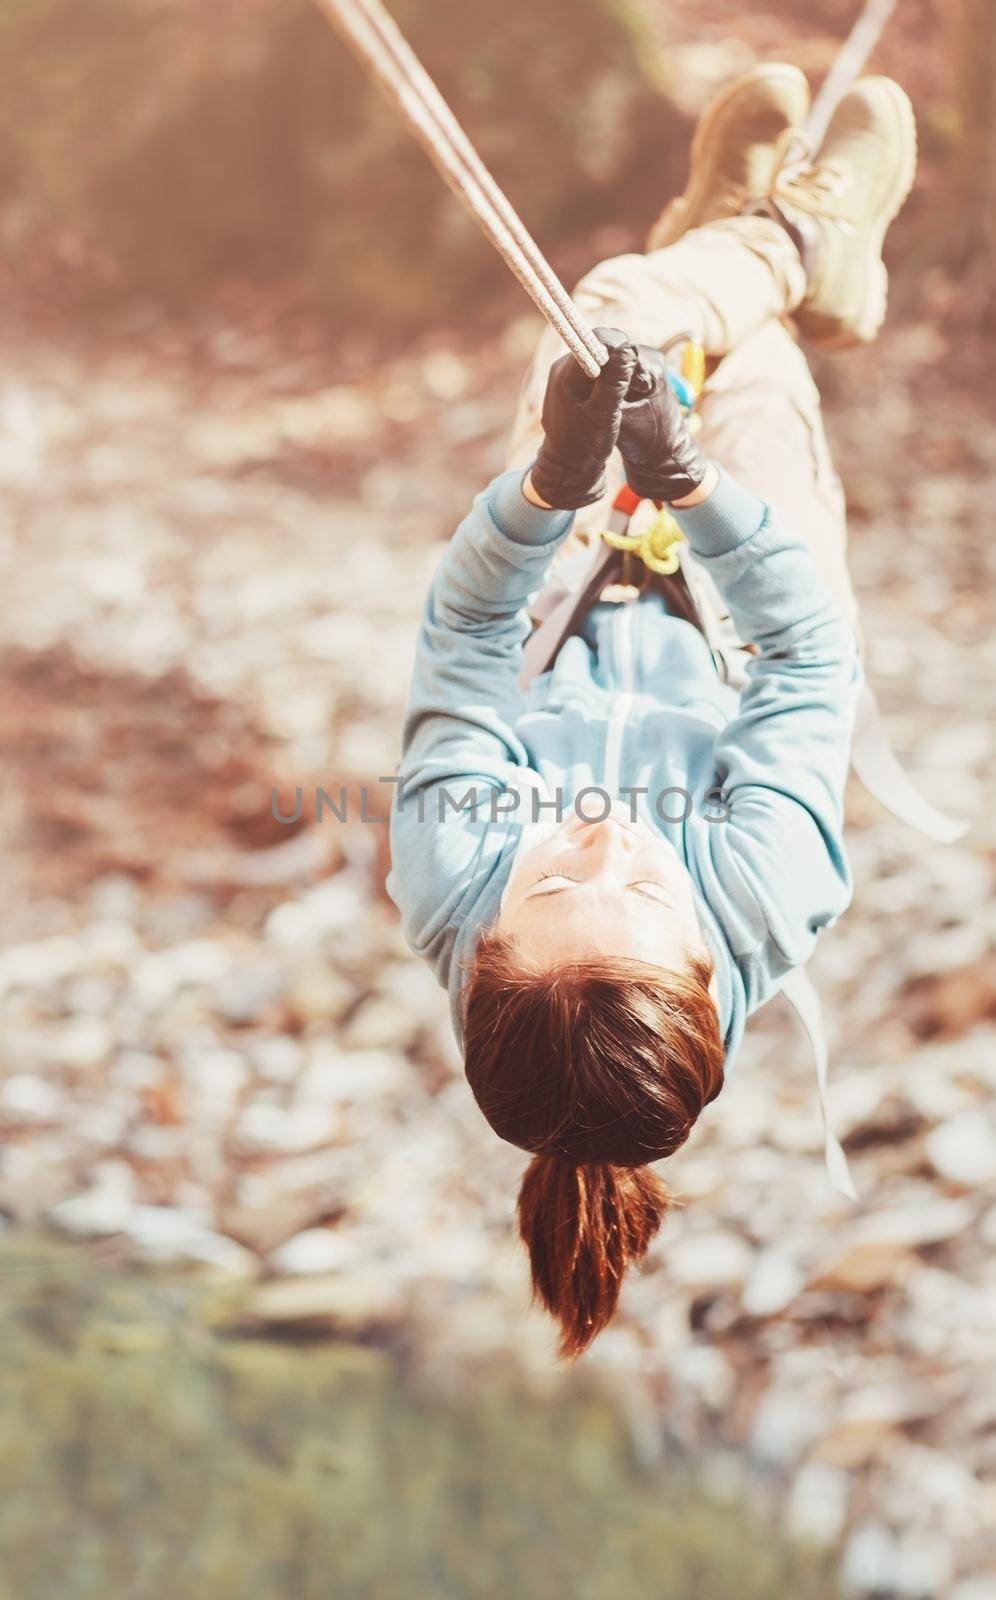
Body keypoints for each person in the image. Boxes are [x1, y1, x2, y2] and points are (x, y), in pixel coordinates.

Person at [386, 68, 917, 1359]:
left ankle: (749, 236)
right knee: (743, 349)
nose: (605, 840)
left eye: (554, 886)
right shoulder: (764, 890)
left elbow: (462, 639)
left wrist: (550, 485)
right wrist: (692, 485)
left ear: (478, 952)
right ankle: (790, 248)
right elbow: (805, 655)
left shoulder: (448, 877)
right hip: (745, 614)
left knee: (620, 315)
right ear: (703, 953)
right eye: (644, 889)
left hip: (564, 570)